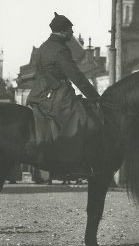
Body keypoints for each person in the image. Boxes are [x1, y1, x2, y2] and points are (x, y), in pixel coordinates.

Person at [26, 12, 102, 170]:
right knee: (81, 117)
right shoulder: (60, 49)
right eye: (70, 30)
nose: (72, 33)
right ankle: (73, 163)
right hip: (57, 94)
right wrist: (95, 97)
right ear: (62, 31)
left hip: (38, 94)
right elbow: (76, 76)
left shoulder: (43, 47)